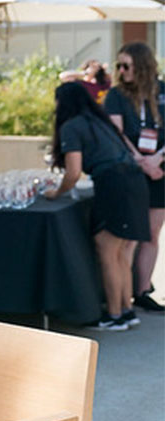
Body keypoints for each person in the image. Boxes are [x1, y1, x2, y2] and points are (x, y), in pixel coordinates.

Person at [46, 82, 151, 330]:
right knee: (121, 252)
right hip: (136, 183)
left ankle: (114, 315)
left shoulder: (72, 126)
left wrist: (56, 192)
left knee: (107, 251)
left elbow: (72, 174)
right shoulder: (101, 122)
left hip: (114, 185)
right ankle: (126, 310)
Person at [103, 41, 165, 313]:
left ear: (141, 66)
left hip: (160, 169)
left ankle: (143, 290)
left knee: (152, 233)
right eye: (118, 65)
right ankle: (125, 292)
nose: (121, 71)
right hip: (131, 170)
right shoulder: (116, 95)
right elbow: (117, 133)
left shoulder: (162, 91)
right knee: (131, 236)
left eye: (125, 65)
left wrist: (157, 158)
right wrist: (141, 161)